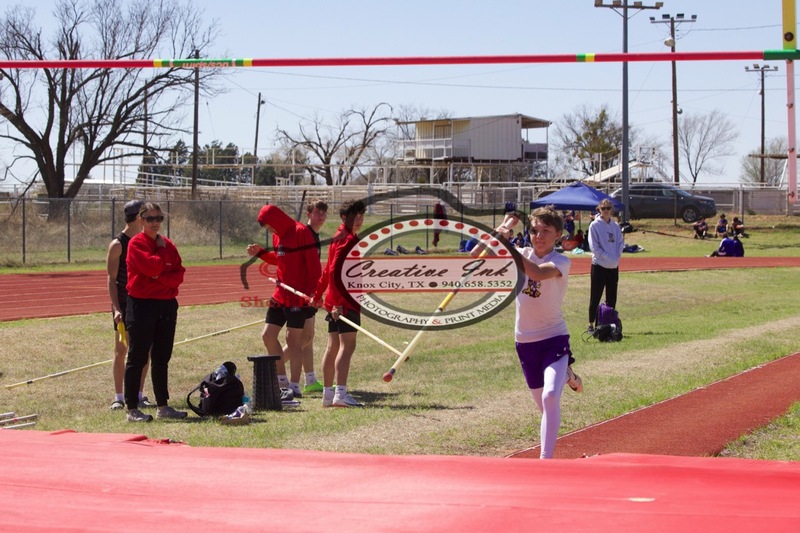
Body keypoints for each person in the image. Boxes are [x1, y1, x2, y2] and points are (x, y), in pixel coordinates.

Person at [487, 206, 578, 458]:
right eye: (534, 230)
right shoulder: (523, 253)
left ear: (558, 235)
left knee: (550, 396)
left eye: (545, 231)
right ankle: (567, 374)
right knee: (544, 408)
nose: (538, 236)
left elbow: (537, 272)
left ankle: (545, 461)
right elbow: (479, 256)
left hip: (553, 337)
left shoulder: (561, 261)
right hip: (525, 342)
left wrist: (509, 248)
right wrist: (500, 233)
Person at [247, 204, 322, 399]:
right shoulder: (277, 235)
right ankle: (282, 382)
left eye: (270, 226)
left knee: (293, 339)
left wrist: (314, 292)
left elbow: (314, 267)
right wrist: (261, 253)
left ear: (277, 220)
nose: (270, 230)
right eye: (268, 229)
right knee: (268, 335)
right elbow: (279, 259)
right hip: (281, 293)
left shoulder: (301, 232)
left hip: (299, 295)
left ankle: (294, 386)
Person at [124, 202, 186, 423]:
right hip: (142, 305)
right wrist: (159, 263)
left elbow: (179, 274)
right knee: (138, 356)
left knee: (162, 357)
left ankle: (163, 406)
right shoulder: (136, 244)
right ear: (140, 220)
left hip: (166, 304)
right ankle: (132, 408)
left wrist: (161, 278)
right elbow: (152, 267)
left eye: (159, 218)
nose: (155, 223)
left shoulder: (169, 244)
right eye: (150, 219)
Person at [312, 200, 366, 408]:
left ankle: (328, 394)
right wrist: (340, 303)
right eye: (355, 216)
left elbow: (327, 271)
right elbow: (334, 271)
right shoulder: (348, 240)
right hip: (344, 302)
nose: (359, 220)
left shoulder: (339, 236)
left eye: (361, 216)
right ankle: (340, 394)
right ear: (345, 218)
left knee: (332, 346)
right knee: (347, 345)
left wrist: (318, 295)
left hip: (334, 300)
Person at [106, 199, 152, 410]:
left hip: (144, 302)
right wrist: (116, 308)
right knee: (121, 349)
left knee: (144, 350)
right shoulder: (118, 245)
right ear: (138, 218)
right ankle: (118, 396)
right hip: (124, 303)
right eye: (147, 216)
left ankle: (140, 394)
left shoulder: (147, 240)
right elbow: (111, 279)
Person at [299, 200, 328, 394]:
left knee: (308, 337)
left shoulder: (315, 236)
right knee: (302, 339)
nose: (321, 217)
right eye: (317, 213)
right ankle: (272, 369)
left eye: (324, 214)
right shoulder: (305, 234)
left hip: (310, 292)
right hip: (302, 293)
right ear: (309, 214)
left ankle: (310, 380)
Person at [587, 199, 624, 333]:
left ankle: (609, 323)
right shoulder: (594, 225)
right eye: (603, 209)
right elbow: (594, 247)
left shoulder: (615, 226)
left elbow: (620, 242)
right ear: (599, 210)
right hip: (599, 265)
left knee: (612, 297)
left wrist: (616, 256)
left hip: (613, 266)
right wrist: (607, 257)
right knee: (595, 296)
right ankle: (591, 324)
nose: (606, 211)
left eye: (608, 208)